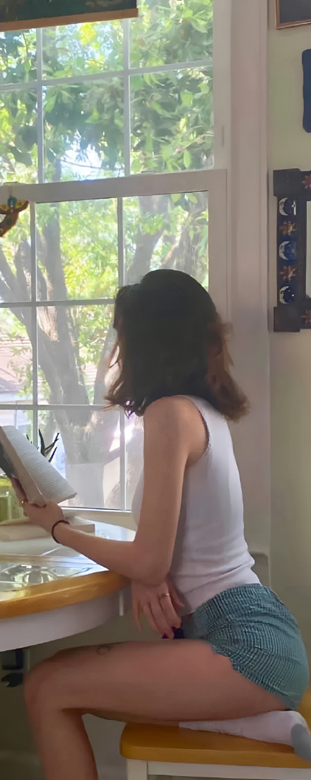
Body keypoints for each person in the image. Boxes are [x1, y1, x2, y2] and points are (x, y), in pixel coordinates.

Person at [19, 270, 310, 780]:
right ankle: (264, 723)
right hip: (248, 632)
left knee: (47, 686)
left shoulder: (169, 414)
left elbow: (151, 558)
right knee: (70, 687)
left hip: (244, 644)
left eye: (122, 334)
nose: (118, 350)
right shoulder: (201, 411)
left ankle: (259, 715)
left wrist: (58, 528)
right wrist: (146, 570)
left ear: (146, 341)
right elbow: (162, 548)